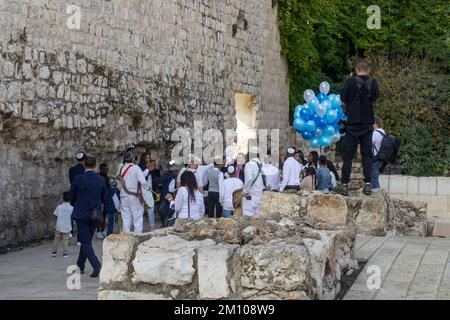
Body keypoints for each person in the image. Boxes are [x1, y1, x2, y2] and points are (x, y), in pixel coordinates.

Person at [336, 60, 380, 196]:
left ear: (356, 69)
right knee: (367, 155)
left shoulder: (350, 82)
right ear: (368, 69)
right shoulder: (373, 82)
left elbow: (343, 98)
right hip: (367, 123)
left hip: (353, 123)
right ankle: (368, 184)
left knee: (348, 155)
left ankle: (344, 184)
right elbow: (375, 97)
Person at [69, 156, 106, 278]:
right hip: (95, 214)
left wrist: (77, 205)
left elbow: (72, 197)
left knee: (85, 241)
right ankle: (80, 265)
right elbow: (104, 197)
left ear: (84, 165)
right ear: (95, 166)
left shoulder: (77, 179)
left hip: (81, 213)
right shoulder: (100, 180)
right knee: (87, 241)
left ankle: (96, 266)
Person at [117, 151, 150, 234]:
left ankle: (126, 238)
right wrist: (149, 188)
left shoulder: (122, 168)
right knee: (137, 218)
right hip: (133, 196)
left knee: (126, 218)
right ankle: (137, 237)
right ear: (133, 158)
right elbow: (142, 181)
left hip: (123, 196)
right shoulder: (136, 168)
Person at [243, 147, 266, 217]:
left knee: (248, 215)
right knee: (257, 216)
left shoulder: (249, 165)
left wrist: (245, 190)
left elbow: (249, 179)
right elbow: (266, 180)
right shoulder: (263, 165)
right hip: (260, 195)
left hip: (250, 195)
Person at [68, 152, 86, 246]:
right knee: (81, 217)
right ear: (84, 160)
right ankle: (79, 239)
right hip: (82, 195)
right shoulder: (85, 170)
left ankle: (69, 231)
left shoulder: (71, 170)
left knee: (71, 213)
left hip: (73, 193)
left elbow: (71, 181)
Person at [51, 192, 73, 258]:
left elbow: (55, 214)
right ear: (70, 199)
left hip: (59, 226)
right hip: (67, 226)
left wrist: (57, 221)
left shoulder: (59, 207)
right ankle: (65, 253)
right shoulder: (71, 208)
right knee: (65, 240)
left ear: (63, 199)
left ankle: (54, 252)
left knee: (56, 239)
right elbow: (72, 217)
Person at [98, 163, 117, 237]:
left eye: (107, 169)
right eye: (105, 169)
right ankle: (100, 231)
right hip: (101, 199)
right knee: (101, 216)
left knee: (104, 215)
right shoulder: (101, 177)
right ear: (101, 169)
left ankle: (102, 230)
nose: (106, 170)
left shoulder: (105, 177)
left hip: (104, 199)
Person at [139, 153, 156, 231]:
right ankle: (138, 228)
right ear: (143, 159)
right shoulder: (139, 167)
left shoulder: (149, 167)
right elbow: (140, 177)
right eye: (146, 158)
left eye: (149, 158)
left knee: (151, 210)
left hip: (149, 192)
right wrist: (148, 169)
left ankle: (152, 227)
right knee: (140, 211)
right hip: (142, 191)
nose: (148, 159)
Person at [371, 116, 386, 192]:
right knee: (375, 174)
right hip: (382, 157)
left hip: (375, 157)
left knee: (374, 175)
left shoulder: (375, 133)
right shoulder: (383, 132)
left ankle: (376, 190)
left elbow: (369, 142)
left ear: (375, 123)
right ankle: (375, 188)